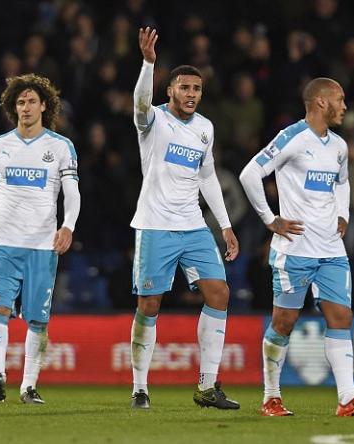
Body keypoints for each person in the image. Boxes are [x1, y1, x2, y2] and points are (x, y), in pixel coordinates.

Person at [239, 77, 354, 417]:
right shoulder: (291, 138)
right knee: (284, 322)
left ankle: (347, 400)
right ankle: (271, 397)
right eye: (341, 99)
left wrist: (343, 214)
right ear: (321, 102)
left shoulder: (338, 146)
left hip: (331, 250)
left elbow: (343, 183)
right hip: (294, 249)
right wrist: (269, 219)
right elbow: (250, 174)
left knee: (341, 317)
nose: (345, 107)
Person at [129, 27, 240, 410]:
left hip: (193, 225)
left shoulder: (205, 128)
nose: (191, 94)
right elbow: (140, 103)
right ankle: (140, 387)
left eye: (197, 88)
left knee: (219, 293)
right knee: (150, 305)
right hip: (156, 224)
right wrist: (148, 63)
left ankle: (207, 386)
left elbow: (206, 177)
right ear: (170, 91)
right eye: (184, 87)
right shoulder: (153, 120)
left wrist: (224, 225)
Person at [0, 74, 80, 404]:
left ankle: (28, 386)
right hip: (4, 243)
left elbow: (72, 192)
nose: (26, 107)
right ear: (12, 107)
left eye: (32, 101)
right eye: (20, 102)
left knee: (37, 319)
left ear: (44, 105)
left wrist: (68, 226)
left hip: (41, 246)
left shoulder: (60, 147)